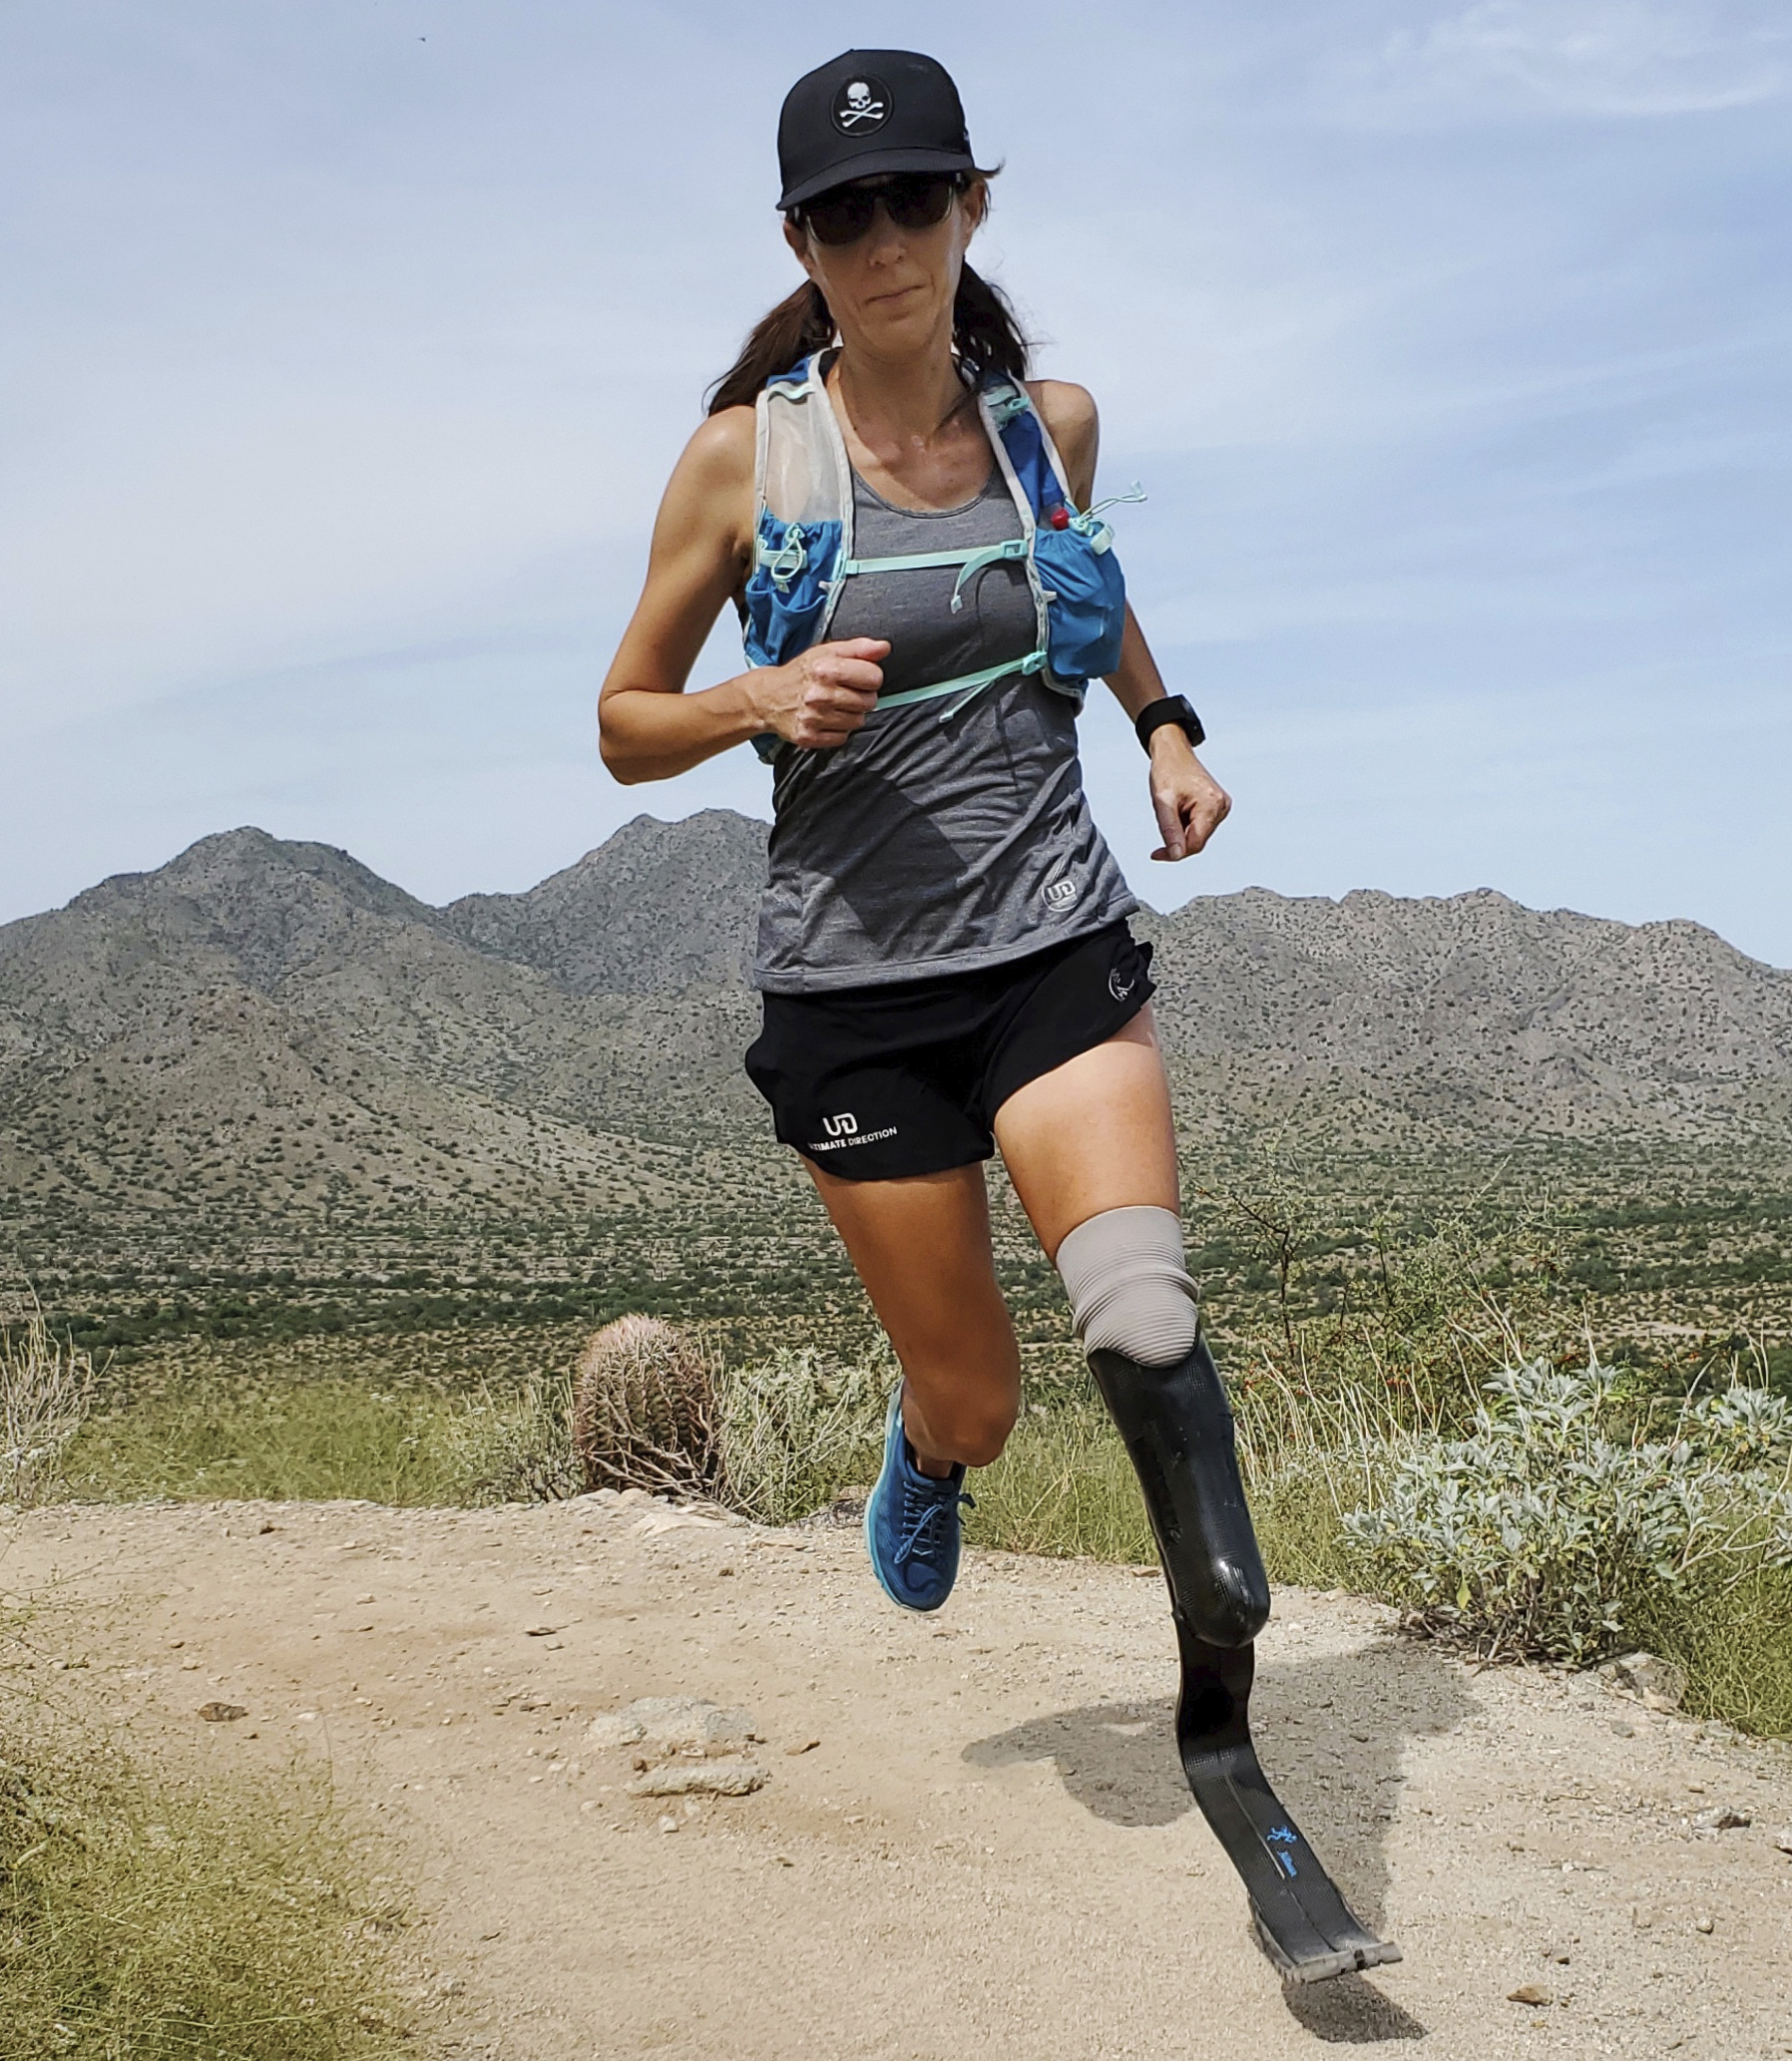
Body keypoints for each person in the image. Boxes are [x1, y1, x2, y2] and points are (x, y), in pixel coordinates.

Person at [596, 48, 1393, 1983]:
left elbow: (1090, 588)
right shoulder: (744, 461)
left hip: (1053, 950)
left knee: (1143, 1303)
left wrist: (1167, 726)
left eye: (917, 199)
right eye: (845, 214)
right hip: (857, 1007)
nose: (885, 240)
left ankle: (1222, 1680)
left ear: (973, 210)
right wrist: (753, 706)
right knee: (985, 1391)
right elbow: (623, 720)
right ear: (804, 240)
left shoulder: (1053, 427)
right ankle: (933, 1449)